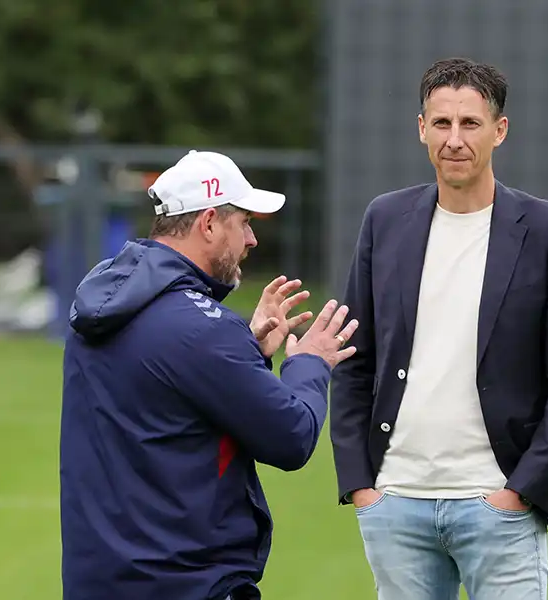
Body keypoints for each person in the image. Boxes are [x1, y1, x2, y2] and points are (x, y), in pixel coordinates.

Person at [329, 57, 548, 600]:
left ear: (499, 131)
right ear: (421, 128)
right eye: (442, 123)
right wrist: (361, 484)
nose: (455, 140)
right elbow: (354, 358)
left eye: (470, 124)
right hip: (396, 502)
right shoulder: (384, 220)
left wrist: (523, 490)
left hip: (498, 503)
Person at [59, 150, 359, 600]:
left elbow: (172, 402)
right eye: (245, 222)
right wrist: (310, 363)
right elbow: (291, 436)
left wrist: (248, 351)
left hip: (100, 582)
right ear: (210, 222)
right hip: (188, 584)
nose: (252, 239)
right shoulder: (203, 328)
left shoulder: (106, 298)